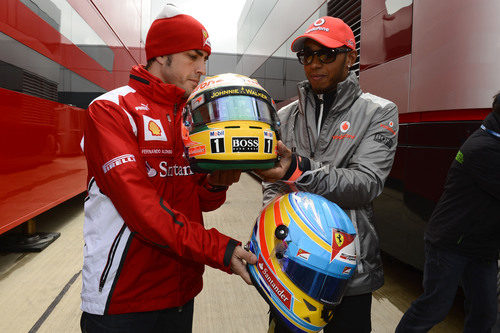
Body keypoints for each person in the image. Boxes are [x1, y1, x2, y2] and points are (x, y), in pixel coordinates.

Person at [80, 5, 257, 332]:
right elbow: (143, 212)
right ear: (161, 56)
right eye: (193, 56)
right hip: (123, 299)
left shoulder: (191, 118)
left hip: (181, 292)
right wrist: (219, 248)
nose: (202, 68)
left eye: (205, 58)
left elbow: (199, 201)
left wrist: (217, 184)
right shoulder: (111, 110)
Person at [254, 16, 399, 333]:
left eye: (327, 54)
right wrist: (275, 239)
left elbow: (366, 184)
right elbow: (274, 186)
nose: (315, 64)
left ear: (351, 56)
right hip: (289, 267)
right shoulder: (284, 116)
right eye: (307, 55)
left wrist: (298, 169)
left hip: (350, 271)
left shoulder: (379, 112)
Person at [396, 93, 500, 333]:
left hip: (481, 246)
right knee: (435, 306)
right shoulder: (484, 148)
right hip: (450, 242)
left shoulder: (490, 137)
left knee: (485, 312)